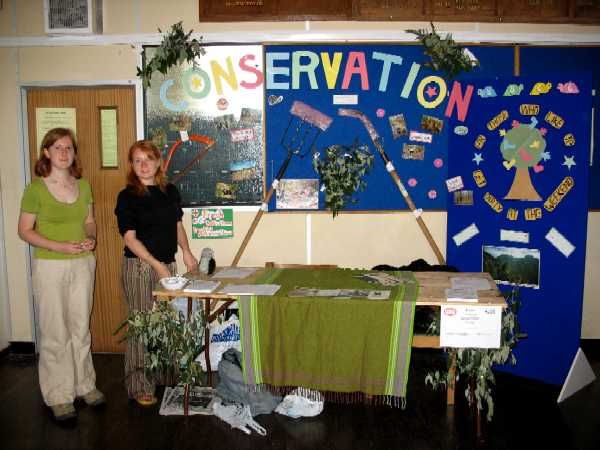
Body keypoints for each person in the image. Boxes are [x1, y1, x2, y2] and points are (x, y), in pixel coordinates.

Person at [18, 127, 106, 421]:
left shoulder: (83, 186)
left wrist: (91, 238)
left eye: (69, 148)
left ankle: (85, 385)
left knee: (81, 327)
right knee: (56, 331)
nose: (65, 153)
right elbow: (25, 231)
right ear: (47, 152)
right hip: (50, 265)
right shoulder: (35, 189)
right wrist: (59, 247)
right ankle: (58, 394)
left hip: (83, 262)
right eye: (58, 148)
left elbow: (90, 221)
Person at [114, 140, 197, 405]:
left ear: (158, 162)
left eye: (148, 159)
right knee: (141, 326)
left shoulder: (169, 191)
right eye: (137, 160)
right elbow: (129, 239)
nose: (143, 165)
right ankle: (140, 385)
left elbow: (177, 225)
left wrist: (186, 252)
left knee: (165, 324)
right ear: (132, 165)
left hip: (168, 266)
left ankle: (162, 375)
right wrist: (157, 265)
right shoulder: (127, 196)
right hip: (140, 267)